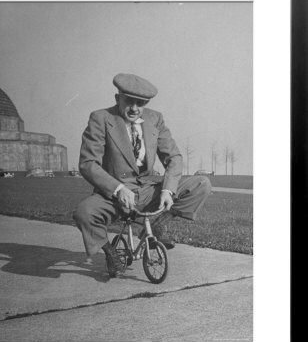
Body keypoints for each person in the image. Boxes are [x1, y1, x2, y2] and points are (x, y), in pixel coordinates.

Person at [73, 73, 211, 278]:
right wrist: (118, 189)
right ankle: (111, 253)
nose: (135, 108)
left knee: (202, 183)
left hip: (147, 189)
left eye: (141, 103)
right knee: (84, 212)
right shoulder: (101, 118)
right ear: (117, 98)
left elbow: (174, 157)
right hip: (113, 194)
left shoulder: (155, 119)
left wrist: (167, 190)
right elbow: (88, 163)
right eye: (129, 101)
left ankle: (157, 226)